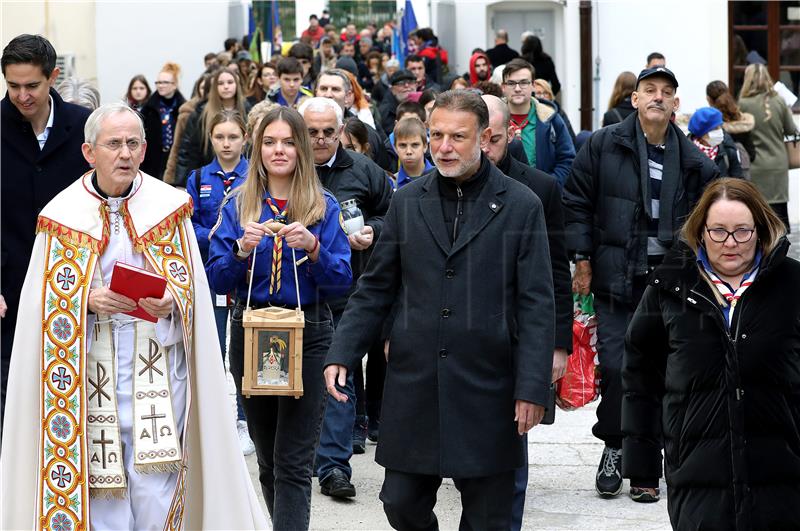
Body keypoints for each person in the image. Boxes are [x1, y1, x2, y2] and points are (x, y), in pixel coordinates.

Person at [0, 102, 267, 530]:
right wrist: (85, 298)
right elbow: (39, 302)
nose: (124, 154)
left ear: (144, 150)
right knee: (99, 487)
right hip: (86, 368)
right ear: (90, 152)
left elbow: (192, 285)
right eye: (113, 144)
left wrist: (173, 302)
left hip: (155, 366)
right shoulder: (61, 214)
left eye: (132, 144)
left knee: (154, 484)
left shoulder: (168, 206)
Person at [323, 89, 555, 530]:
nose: (444, 147)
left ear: (485, 137)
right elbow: (375, 288)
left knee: (491, 518)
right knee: (400, 503)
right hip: (416, 387)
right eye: (436, 135)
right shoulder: (407, 202)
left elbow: (537, 303)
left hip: (489, 388)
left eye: (457, 137)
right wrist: (342, 352)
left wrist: (533, 388)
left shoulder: (522, 205)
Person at [563, 66, 719, 502]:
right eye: (649, 90)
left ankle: (652, 464)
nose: (657, 97)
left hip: (670, 286)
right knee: (616, 369)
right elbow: (576, 202)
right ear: (633, 99)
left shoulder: (693, 162)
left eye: (666, 92)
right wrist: (582, 260)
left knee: (669, 374)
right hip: (616, 279)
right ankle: (616, 444)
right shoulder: (601, 145)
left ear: (675, 104)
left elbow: (710, 219)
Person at [623, 178, 800, 528]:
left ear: (760, 230)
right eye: (718, 231)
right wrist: (641, 464)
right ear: (701, 231)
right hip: (697, 472)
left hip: (783, 475)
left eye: (742, 231)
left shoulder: (792, 284)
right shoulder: (669, 286)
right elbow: (640, 378)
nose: (730, 243)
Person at [207, 106, 352, 530]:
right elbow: (216, 278)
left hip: (308, 333)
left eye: (289, 142)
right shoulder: (238, 205)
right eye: (270, 142)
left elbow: (342, 280)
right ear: (257, 147)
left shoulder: (322, 205)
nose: (279, 150)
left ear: (302, 148)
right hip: (252, 330)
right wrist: (240, 251)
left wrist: (313, 249)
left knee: (292, 461)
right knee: (268, 460)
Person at [482, 94, 571, 530]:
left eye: (492, 139)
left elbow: (557, 272)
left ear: (508, 133)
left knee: (514, 441)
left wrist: (558, 344)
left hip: (518, 334)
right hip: (464, 336)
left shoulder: (540, 188)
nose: (483, 150)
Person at [298, 97, 393, 499]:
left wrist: (373, 230)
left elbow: (392, 213)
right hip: (292, 291)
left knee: (339, 372)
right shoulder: (284, 165)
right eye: (312, 131)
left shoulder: (364, 170)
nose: (319, 139)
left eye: (327, 131)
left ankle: (334, 466)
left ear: (341, 131)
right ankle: (297, 456)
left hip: (345, 288)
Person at [1, 34, 92, 425]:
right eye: (12, 86)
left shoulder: (85, 127)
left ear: (53, 76)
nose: (22, 96)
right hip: (10, 291)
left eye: (32, 86)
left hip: (77, 290)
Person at [185, 110, 254, 456]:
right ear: (210, 139)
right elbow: (187, 222)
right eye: (219, 137)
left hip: (244, 272)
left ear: (245, 138)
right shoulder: (199, 178)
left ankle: (244, 420)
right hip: (211, 273)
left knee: (242, 349)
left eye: (232, 137)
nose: (226, 144)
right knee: (213, 345)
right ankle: (214, 419)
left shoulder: (255, 175)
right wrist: (208, 234)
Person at [738, 63, 797, 231]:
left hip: (755, 164)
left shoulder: (743, 103)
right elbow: (792, 130)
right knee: (779, 215)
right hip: (778, 164)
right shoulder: (779, 100)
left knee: (758, 215)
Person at [501, 58, 575, 186]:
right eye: (511, 83)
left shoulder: (551, 118)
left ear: (533, 85)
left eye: (524, 82)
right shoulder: (492, 118)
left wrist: (548, 186)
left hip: (543, 198)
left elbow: (567, 159)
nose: (517, 88)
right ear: (503, 87)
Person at [176, 68, 251, 187]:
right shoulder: (201, 114)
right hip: (207, 179)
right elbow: (188, 150)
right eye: (221, 83)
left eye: (230, 82)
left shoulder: (248, 111)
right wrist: (182, 182)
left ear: (237, 85)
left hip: (243, 176)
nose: (226, 87)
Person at [140, 62, 186, 180]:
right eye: (158, 82)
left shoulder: (183, 108)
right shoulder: (149, 108)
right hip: (153, 160)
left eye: (165, 82)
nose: (161, 86)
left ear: (174, 85)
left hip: (174, 159)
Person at [164, 72, 211, 185]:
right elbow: (179, 146)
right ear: (197, 89)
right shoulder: (188, 113)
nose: (206, 91)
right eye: (203, 87)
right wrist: (173, 177)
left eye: (209, 88)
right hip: (194, 169)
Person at [706, 79, 756, 163]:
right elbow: (752, 154)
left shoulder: (709, 125)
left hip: (719, 173)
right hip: (741, 173)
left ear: (709, 100)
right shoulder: (743, 121)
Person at [687, 107, 744, 178]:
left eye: (720, 127)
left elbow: (738, 179)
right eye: (715, 128)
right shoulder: (686, 155)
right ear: (701, 134)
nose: (720, 131)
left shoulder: (728, 151)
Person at [393, 116, 434, 188]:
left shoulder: (441, 179)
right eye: (403, 145)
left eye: (415, 145)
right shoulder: (391, 184)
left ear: (425, 146)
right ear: (395, 148)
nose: (409, 151)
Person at [534, 78, 576, 146]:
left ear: (550, 96)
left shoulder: (559, 113)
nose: (542, 96)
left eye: (545, 93)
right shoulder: (530, 113)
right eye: (538, 93)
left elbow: (570, 138)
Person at [378, 69, 417, 136]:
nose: (407, 85)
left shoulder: (424, 104)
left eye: (410, 82)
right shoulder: (384, 112)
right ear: (392, 89)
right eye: (401, 83)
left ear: (416, 85)